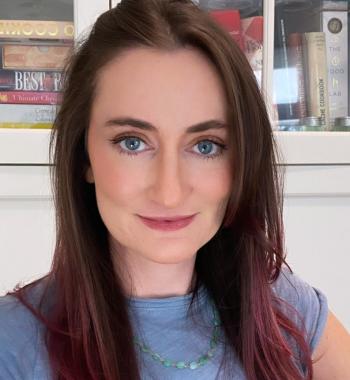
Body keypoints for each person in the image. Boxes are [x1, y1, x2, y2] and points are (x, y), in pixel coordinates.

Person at [0, 0, 349, 379]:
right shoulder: (13, 342)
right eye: (132, 142)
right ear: (84, 155)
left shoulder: (285, 306)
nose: (169, 193)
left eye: (206, 146)